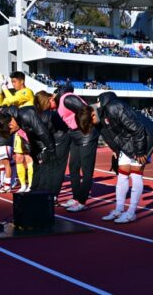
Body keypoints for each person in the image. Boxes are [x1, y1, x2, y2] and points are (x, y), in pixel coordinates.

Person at [75, 91, 153, 223]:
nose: (93, 125)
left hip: (143, 139)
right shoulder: (99, 114)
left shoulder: (114, 107)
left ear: (93, 113)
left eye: (91, 122)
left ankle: (131, 212)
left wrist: (139, 152)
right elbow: (107, 134)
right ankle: (119, 210)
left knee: (136, 175)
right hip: (126, 143)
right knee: (122, 176)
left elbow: (138, 129)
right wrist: (115, 150)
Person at [53, 84, 100, 212]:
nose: (51, 98)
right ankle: (76, 197)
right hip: (74, 134)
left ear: (59, 93)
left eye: (53, 95)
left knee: (86, 169)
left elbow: (87, 110)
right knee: (73, 167)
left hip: (86, 134)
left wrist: (90, 124)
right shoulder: (61, 103)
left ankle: (82, 201)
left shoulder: (67, 98)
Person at [0, 106, 56, 191]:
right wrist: (35, 154)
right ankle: (34, 191)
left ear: (10, 125)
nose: (13, 133)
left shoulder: (26, 114)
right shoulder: (17, 122)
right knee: (37, 165)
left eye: (11, 132)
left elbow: (42, 133)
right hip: (45, 136)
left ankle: (51, 195)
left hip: (57, 131)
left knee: (50, 166)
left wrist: (51, 151)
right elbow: (30, 138)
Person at [0, 71, 34, 192]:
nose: (13, 84)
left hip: (28, 128)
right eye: (11, 82)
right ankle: (23, 185)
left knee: (28, 157)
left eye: (14, 81)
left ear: (22, 81)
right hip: (18, 129)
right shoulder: (16, 94)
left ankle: (31, 185)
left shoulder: (26, 92)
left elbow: (12, 99)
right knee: (18, 158)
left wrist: (4, 87)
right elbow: (0, 102)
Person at [34, 91, 70, 198]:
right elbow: (65, 127)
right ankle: (52, 195)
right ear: (48, 100)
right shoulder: (52, 114)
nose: (55, 101)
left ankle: (42, 192)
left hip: (45, 145)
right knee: (57, 170)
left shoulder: (36, 113)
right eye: (53, 99)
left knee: (46, 169)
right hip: (59, 142)